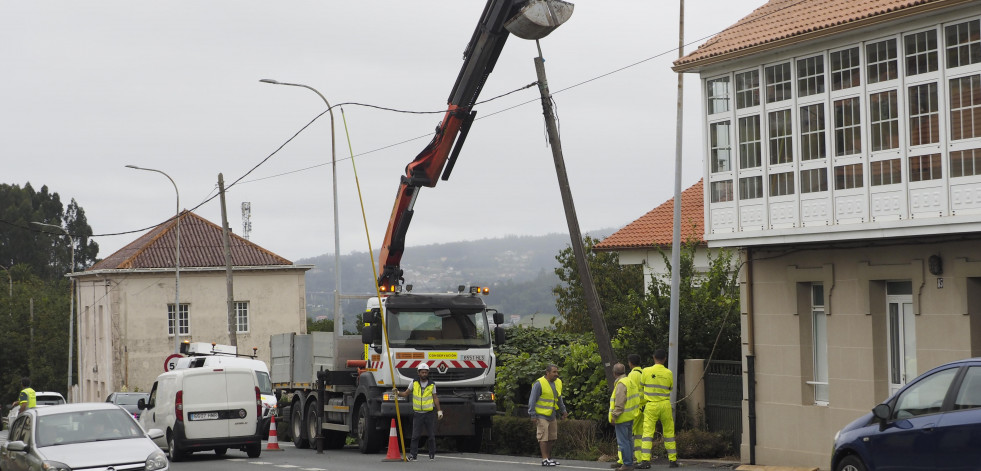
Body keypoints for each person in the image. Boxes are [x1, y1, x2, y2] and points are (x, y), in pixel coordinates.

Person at [394, 363, 442, 461]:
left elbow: (435, 398)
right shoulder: (414, 383)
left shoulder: (432, 384)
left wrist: (439, 410)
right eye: (422, 372)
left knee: (431, 436)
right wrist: (398, 393)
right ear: (418, 373)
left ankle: (432, 455)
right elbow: (406, 393)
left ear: (428, 373)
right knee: (415, 436)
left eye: (426, 372)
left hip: (429, 413)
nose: (424, 374)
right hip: (418, 413)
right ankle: (413, 455)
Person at [638, 350, 677, 469]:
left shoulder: (646, 371)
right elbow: (670, 388)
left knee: (647, 433)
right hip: (665, 404)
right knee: (669, 432)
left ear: (653, 357)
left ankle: (645, 460)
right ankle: (673, 461)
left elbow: (641, 385)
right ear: (665, 359)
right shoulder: (669, 372)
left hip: (651, 405)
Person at [528, 364, 567, 467]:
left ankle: (549, 458)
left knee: (552, 437)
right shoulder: (539, 383)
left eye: (557, 372)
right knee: (543, 438)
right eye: (554, 372)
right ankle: (544, 459)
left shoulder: (558, 382)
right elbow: (532, 400)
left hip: (551, 414)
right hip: (541, 415)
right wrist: (532, 414)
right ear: (547, 373)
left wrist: (563, 411)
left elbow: (559, 398)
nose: (556, 374)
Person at [613, 354, 646, 468]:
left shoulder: (631, 376)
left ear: (630, 363)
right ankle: (640, 458)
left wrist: (615, 414)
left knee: (626, 438)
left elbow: (625, 395)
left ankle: (624, 460)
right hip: (642, 407)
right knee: (638, 435)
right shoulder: (643, 373)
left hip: (629, 411)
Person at [609, 363, 640, 471]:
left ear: (614, 373)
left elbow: (619, 402)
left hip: (622, 417)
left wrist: (614, 416)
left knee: (623, 442)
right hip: (630, 416)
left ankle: (627, 464)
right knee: (629, 440)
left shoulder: (621, 384)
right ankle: (629, 462)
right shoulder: (629, 380)